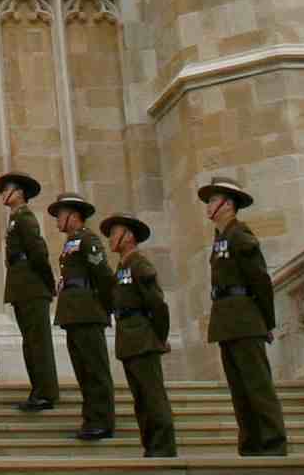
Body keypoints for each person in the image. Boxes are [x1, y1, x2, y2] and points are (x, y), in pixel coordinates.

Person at [195, 176, 288, 456]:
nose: (208, 205)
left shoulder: (240, 236)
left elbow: (260, 281)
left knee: (257, 385)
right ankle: (251, 442)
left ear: (228, 205)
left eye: (213, 200)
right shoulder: (221, 238)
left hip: (246, 319)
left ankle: (273, 442)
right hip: (227, 319)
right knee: (239, 389)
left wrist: (266, 321)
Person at [102, 213, 175, 458]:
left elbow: (158, 305)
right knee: (141, 398)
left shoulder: (139, 265)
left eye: (114, 233)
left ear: (129, 236)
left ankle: (163, 447)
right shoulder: (122, 267)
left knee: (152, 396)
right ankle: (151, 445)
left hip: (143, 337)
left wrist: (159, 337)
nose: (110, 238)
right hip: (128, 337)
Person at [48, 193, 116, 442]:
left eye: (60, 215)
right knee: (83, 370)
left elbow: (103, 275)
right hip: (74, 314)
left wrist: (107, 307)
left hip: (87, 312)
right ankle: (91, 419)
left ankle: (102, 420)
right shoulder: (70, 243)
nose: (57, 220)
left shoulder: (88, 239)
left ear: (73, 215)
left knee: (95, 370)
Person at [0, 171, 58, 412]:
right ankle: (38, 390)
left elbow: (38, 252)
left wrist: (47, 283)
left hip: (32, 286)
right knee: (30, 342)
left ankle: (45, 392)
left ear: (19, 193)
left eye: (7, 190)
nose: (3, 194)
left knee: (38, 342)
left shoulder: (25, 217)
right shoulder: (15, 219)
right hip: (22, 286)